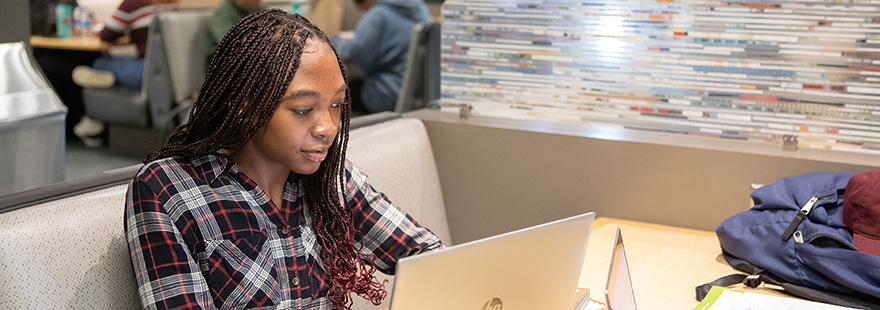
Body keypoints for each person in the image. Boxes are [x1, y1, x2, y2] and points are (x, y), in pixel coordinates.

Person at [124, 9, 443, 309]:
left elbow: (431, 257)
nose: (327, 129)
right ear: (245, 106)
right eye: (303, 110)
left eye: (337, 105)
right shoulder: (167, 191)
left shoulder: (330, 178)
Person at [70, 0, 178, 147]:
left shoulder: (133, 3)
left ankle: (106, 79)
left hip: (146, 72)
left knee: (98, 63)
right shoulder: (174, 2)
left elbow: (106, 35)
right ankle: (109, 83)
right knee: (114, 58)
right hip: (173, 71)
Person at [333, 0, 430, 113]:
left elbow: (359, 54)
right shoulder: (421, 9)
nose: (362, 10)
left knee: (335, 93)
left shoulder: (378, 15)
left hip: (385, 95)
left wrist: (336, 43)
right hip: (415, 95)